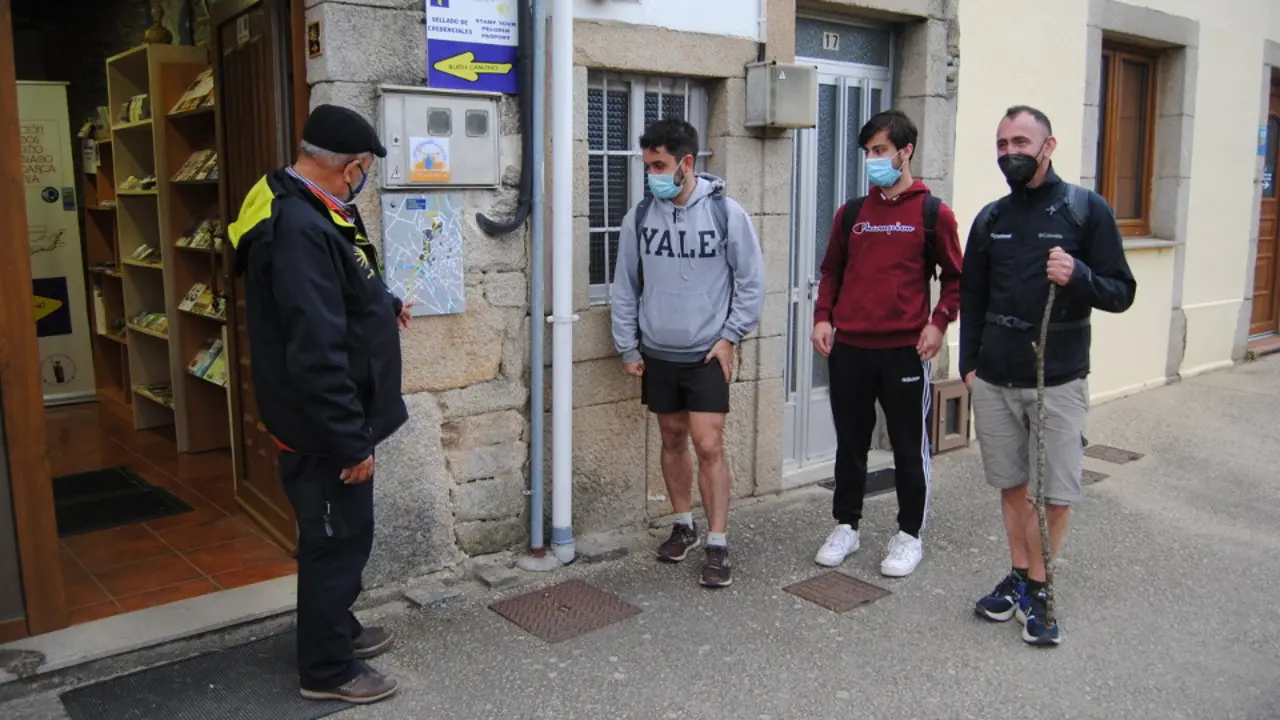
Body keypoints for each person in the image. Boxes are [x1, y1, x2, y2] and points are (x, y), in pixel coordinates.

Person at [228, 104, 413, 702]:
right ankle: (327, 670)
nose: (364, 181)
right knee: (335, 542)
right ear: (351, 167)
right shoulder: (299, 229)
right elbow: (315, 349)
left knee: (345, 535)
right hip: (322, 430)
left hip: (331, 420)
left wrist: (383, 306)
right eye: (365, 171)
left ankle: (337, 627)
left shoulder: (308, 204)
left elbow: (343, 283)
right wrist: (350, 441)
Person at [962, 106, 1136, 646]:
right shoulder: (991, 219)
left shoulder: (1086, 210)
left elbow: (1121, 291)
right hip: (994, 378)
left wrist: (1078, 274)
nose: (1009, 152)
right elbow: (973, 296)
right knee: (1012, 485)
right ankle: (1019, 575)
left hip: (1057, 378)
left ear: (1048, 146)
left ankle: (1040, 587)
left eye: (1020, 141)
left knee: (1055, 493)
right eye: (1002, 143)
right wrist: (969, 365)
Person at [610, 118, 765, 589]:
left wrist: (730, 335)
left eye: (660, 165)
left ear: (687, 163)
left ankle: (718, 542)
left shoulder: (725, 214)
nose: (652, 174)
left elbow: (752, 281)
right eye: (648, 165)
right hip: (658, 351)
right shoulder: (639, 217)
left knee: (709, 443)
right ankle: (683, 525)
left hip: (706, 353)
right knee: (672, 437)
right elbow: (624, 286)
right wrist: (627, 345)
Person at [810, 110, 964, 578]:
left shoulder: (933, 214)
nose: (872, 160)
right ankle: (846, 525)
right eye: (868, 152)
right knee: (850, 444)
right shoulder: (852, 214)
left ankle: (909, 534)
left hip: (903, 352)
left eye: (880, 150)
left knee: (907, 445)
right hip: (850, 349)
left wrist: (938, 324)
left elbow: (956, 279)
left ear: (905, 151)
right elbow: (831, 272)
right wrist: (822, 317)